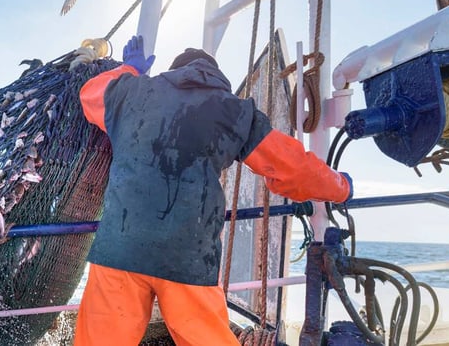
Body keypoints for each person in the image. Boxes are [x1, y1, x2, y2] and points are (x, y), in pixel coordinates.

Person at [73, 35, 353, 346]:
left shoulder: (133, 91)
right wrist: (340, 187)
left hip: (118, 250)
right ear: (217, 77)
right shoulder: (232, 109)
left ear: (173, 71)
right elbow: (292, 166)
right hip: (187, 259)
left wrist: (130, 69)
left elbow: (90, 94)